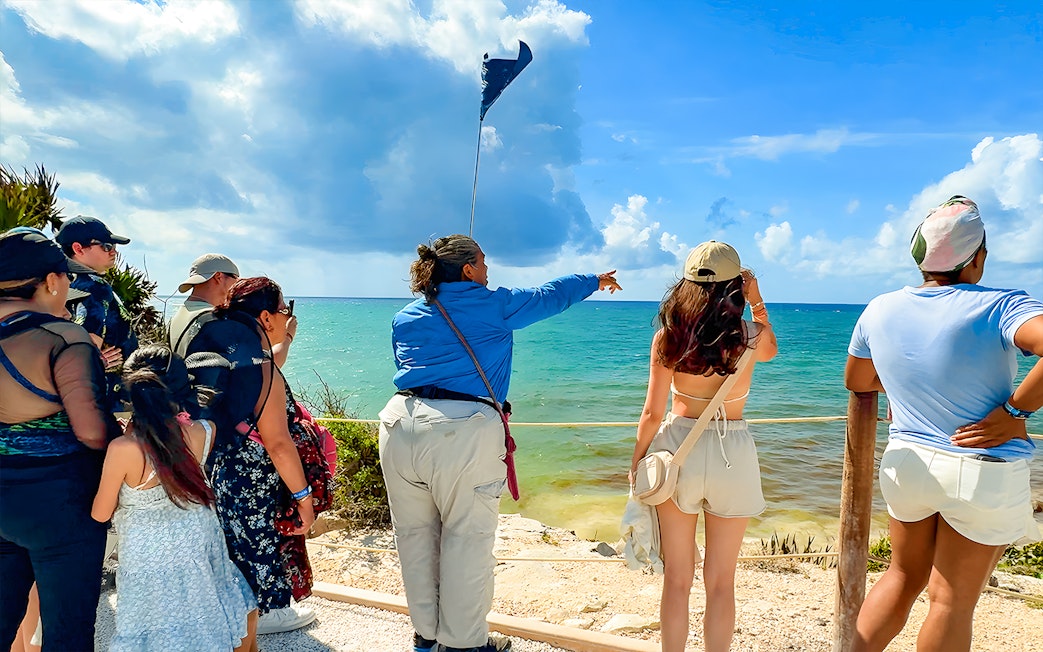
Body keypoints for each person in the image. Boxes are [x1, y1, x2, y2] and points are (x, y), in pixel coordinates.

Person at [379, 234, 621, 652]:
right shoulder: (492, 305)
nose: (489, 271)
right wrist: (593, 280)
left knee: (414, 536)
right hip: (460, 430)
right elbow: (548, 296)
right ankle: (465, 644)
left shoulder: (406, 316)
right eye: (484, 262)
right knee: (466, 538)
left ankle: (426, 636)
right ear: (469, 269)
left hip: (398, 423)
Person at [846, 196, 1043, 652]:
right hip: (980, 466)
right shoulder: (1001, 304)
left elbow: (857, 379)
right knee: (951, 600)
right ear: (977, 258)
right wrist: (1015, 412)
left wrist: (908, 382)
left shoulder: (880, 308)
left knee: (901, 577)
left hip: (908, 463)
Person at [629, 241, 776, 652]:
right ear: (737, 286)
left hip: (679, 450)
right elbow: (771, 351)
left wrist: (637, 459)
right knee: (721, 582)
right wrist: (758, 302)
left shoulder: (668, 338)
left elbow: (652, 413)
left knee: (677, 579)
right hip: (733, 452)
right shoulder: (752, 335)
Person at [169, 255, 312, 634]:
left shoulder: (223, 345)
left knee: (233, 541)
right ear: (265, 318)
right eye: (282, 310)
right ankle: (264, 616)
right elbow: (278, 442)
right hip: (254, 473)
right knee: (258, 539)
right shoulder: (261, 366)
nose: (286, 317)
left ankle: (237, 616)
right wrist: (304, 497)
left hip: (217, 462)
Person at [91, 345, 257, 651]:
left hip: (147, 551)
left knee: (152, 621)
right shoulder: (205, 430)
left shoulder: (123, 449)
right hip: (197, 535)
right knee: (204, 602)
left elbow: (101, 513)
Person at [0, 229, 119, 651]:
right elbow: (91, 430)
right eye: (65, 278)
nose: (68, 285)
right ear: (51, 281)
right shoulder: (64, 337)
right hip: (59, 502)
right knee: (67, 632)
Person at [56, 215, 137, 404]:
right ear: (78, 248)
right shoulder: (95, 286)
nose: (114, 253)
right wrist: (99, 362)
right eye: (106, 246)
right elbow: (87, 348)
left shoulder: (61, 282)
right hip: (109, 394)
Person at [168, 253, 241, 355]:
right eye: (236, 279)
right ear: (218, 277)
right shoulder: (213, 319)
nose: (237, 285)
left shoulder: (176, 317)